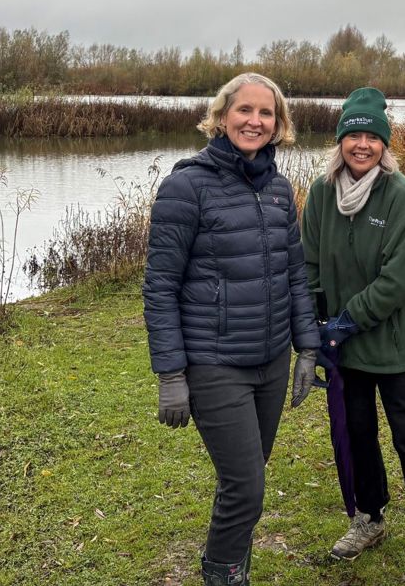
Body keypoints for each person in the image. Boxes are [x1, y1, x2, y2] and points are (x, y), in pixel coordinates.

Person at [143, 73, 320, 586]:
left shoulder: (280, 190)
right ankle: (221, 574)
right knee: (247, 487)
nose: (255, 121)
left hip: (270, 361)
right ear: (221, 117)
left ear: (278, 125)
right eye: (245, 110)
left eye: (266, 113)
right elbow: (160, 287)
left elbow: (294, 273)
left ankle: (232, 567)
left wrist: (306, 346)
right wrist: (171, 373)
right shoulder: (186, 186)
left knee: (247, 480)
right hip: (215, 363)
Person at [301, 87, 405, 586]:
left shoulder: (400, 195)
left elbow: (399, 278)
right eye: (353, 135)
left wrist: (348, 319)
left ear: (384, 145)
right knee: (356, 433)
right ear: (340, 140)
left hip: (394, 344)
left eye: (371, 137)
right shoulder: (322, 193)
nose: (361, 145)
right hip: (343, 345)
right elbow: (311, 262)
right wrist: (320, 326)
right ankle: (368, 518)